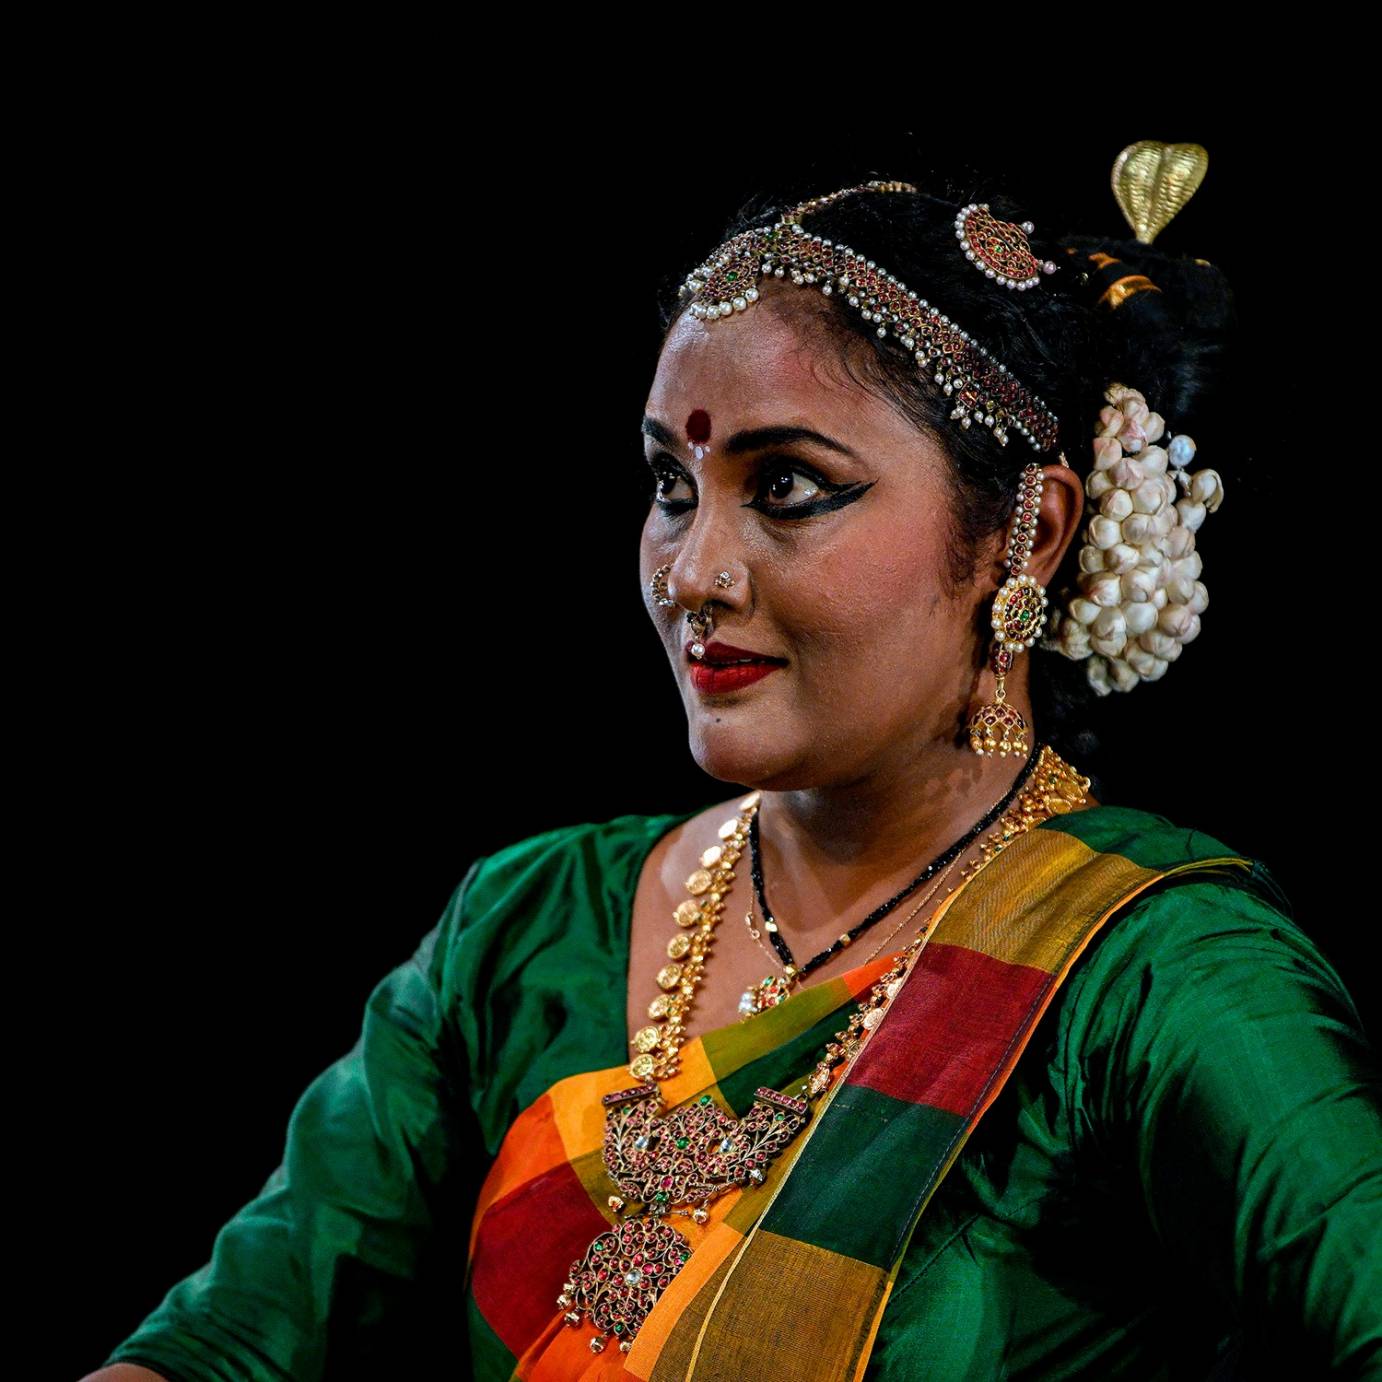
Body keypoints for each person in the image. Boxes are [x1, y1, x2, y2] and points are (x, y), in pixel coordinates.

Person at [89, 165, 1381, 1381]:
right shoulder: (530, 929)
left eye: (789, 487)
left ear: (1023, 537)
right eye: (668, 483)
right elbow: (236, 1336)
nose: (691, 571)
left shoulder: (1151, 979)